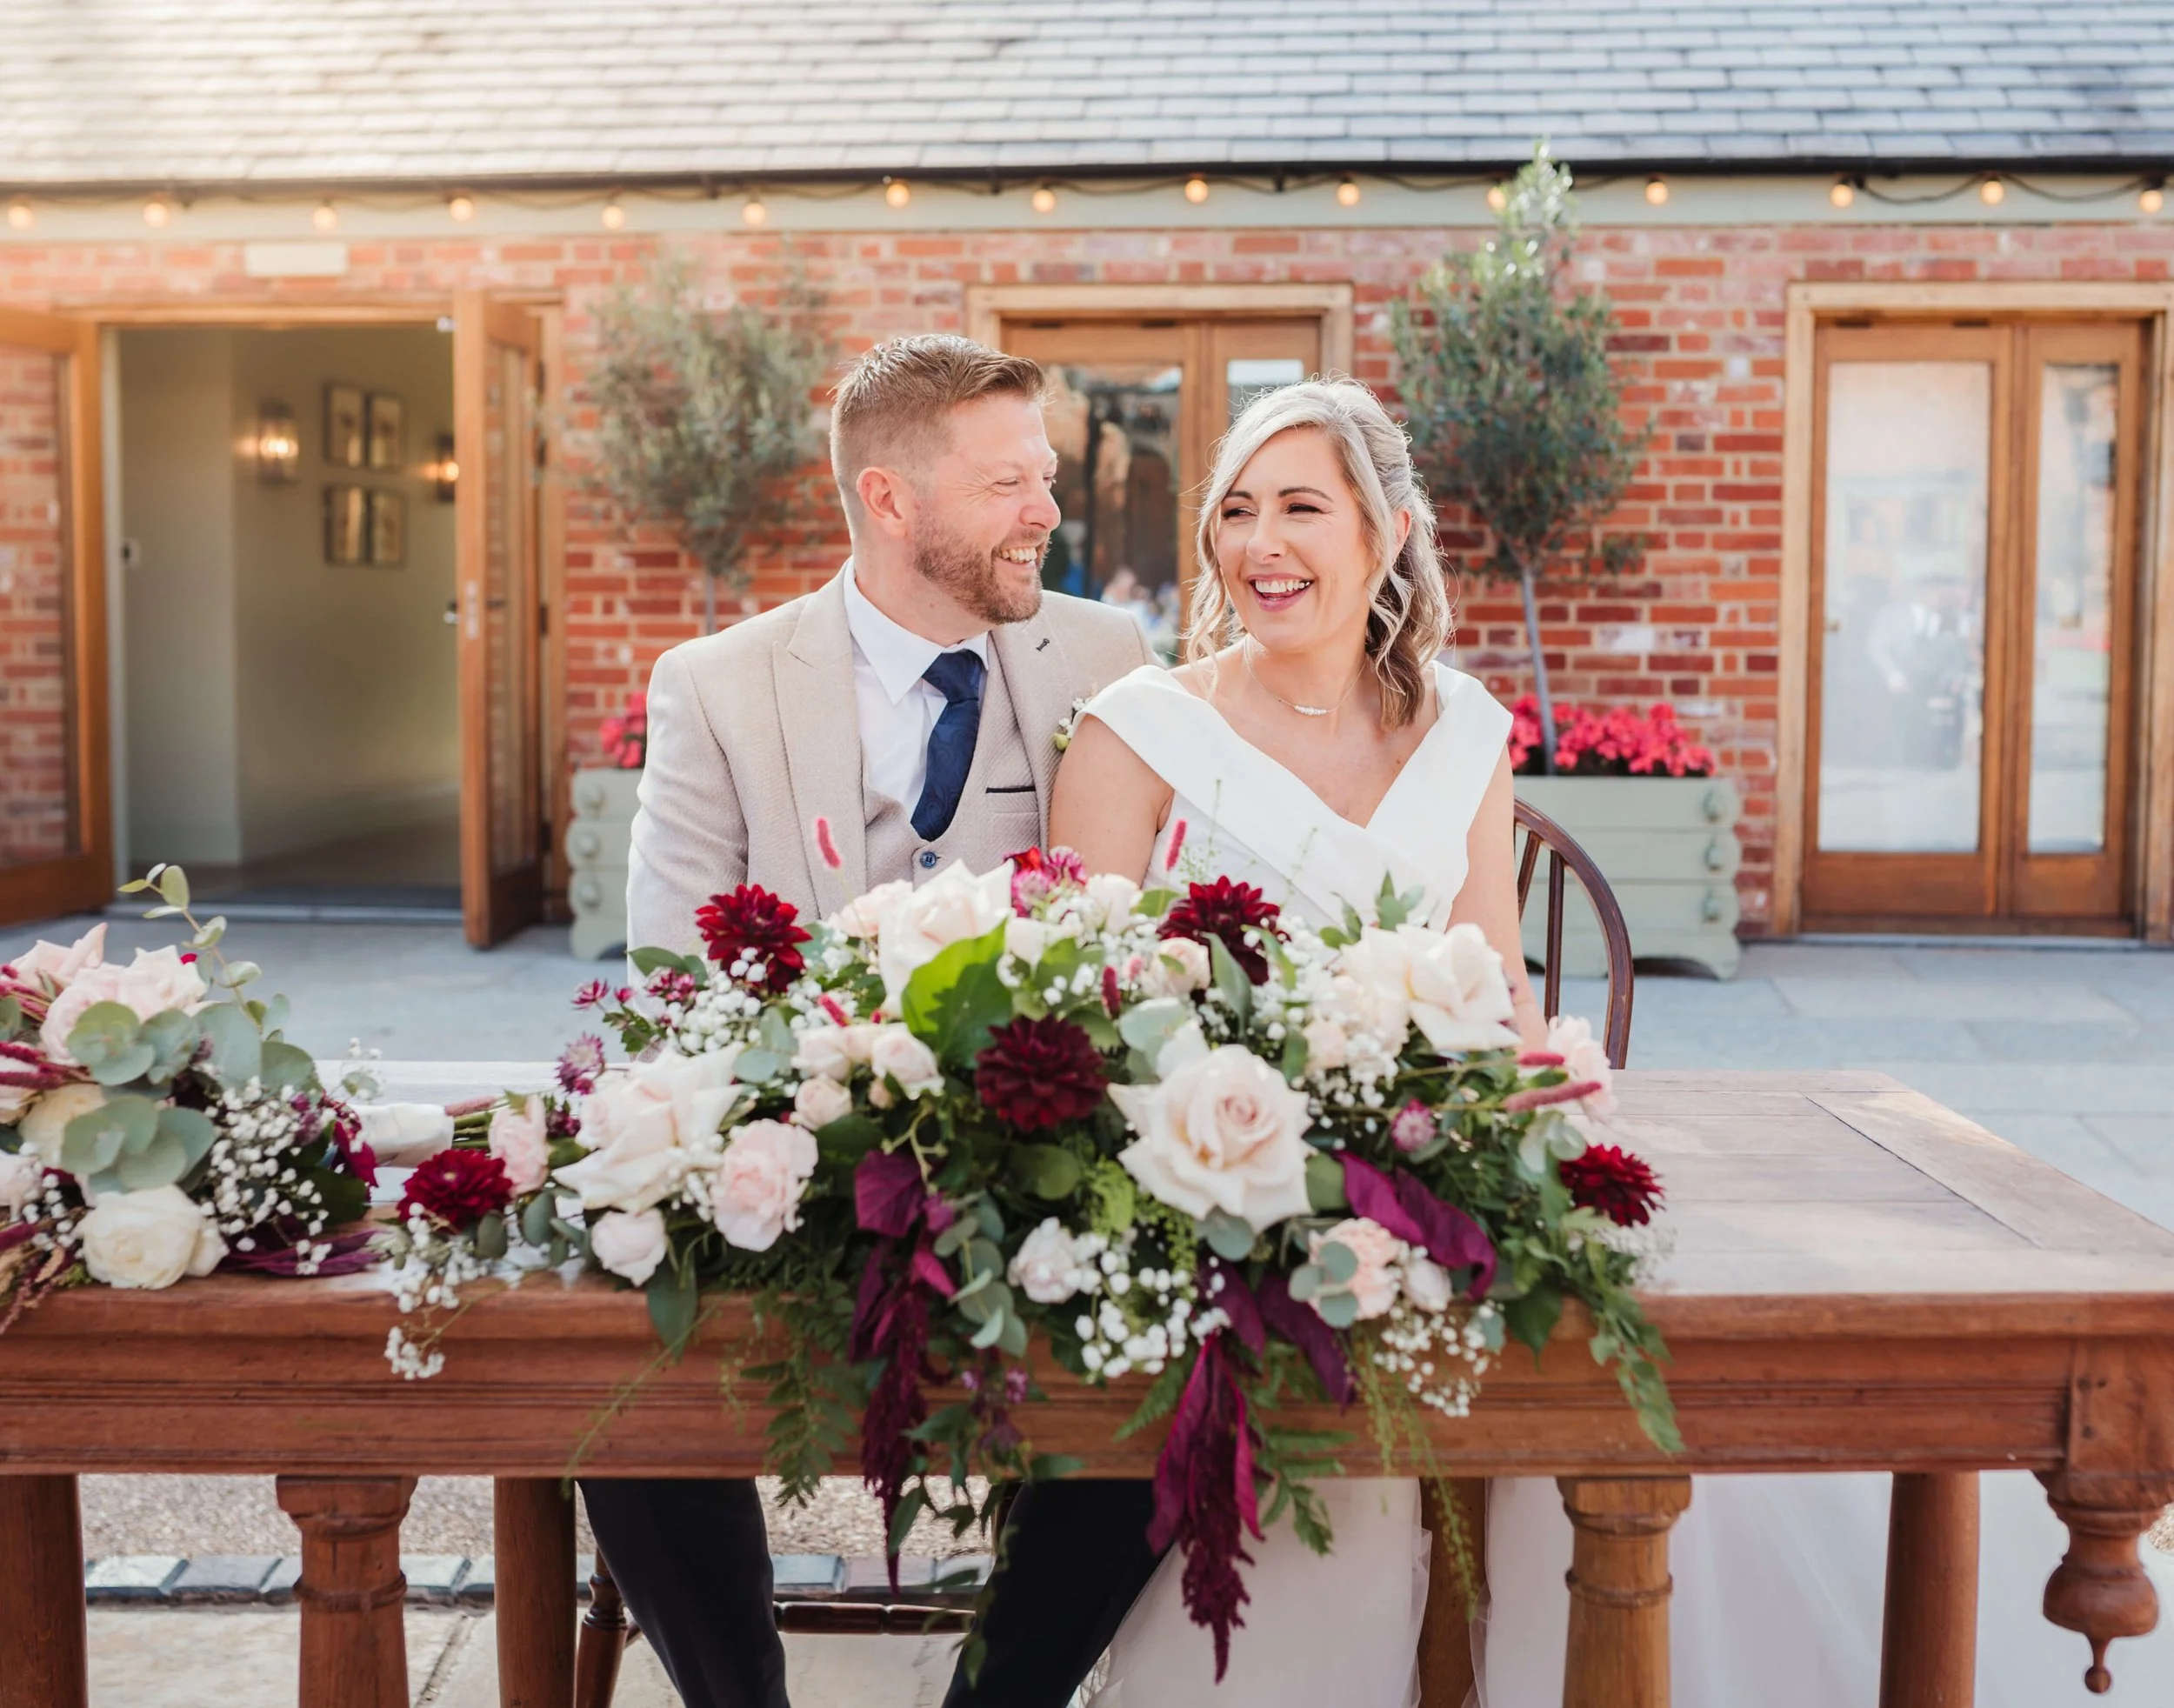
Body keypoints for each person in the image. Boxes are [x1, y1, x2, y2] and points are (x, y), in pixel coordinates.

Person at [1051, 377, 2174, 1708]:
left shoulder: (1461, 727)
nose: (1261, 544)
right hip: (1222, 1204)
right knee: (1332, 1500)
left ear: (1387, 532)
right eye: (1237, 511)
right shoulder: (1139, 731)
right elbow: (1084, 1019)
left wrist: (1511, 1139)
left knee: (1635, 1380)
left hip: (1436, 1167)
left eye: (1303, 506)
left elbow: (1492, 992)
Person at [600, 333, 1157, 1708]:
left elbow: (1148, 938)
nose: (1048, 509)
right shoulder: (720, 685)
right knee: (614, 1368)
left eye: (1046, 475)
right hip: (795, 1150)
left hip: (1043, 1139)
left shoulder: (1109, 655)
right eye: (1008, 481)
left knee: (1178, 1349)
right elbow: (675, 984)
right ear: (891, 502)